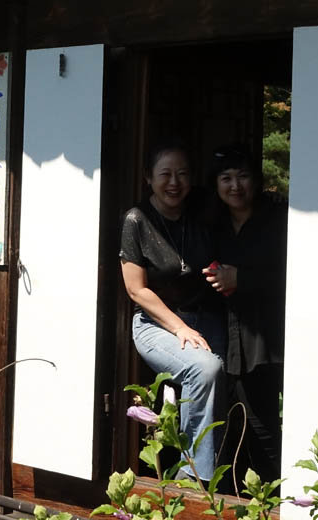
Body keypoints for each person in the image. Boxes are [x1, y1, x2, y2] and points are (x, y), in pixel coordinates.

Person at [120, 140, 225, 481]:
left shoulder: (201, 214)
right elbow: (136, 289)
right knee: (204, 369)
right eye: (165, 174)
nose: (174, 182)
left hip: (205, 318)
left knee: (227, 380)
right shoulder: (136, 220)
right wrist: (179, 327)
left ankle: (225, 478)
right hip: (156, 324)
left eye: (182, 174)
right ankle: (193, 478)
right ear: (148, 177)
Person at [203, 144, 286, 484]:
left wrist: (242, 279)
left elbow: (293, 273)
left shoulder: (278, 219)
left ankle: (281, 497)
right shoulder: (215, 224)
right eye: (226, 178)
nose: (235, 186)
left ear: (257, 180)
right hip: (231, 336)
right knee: (245, 425)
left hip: (270, 337)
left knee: (271, 422)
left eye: (243, 177)